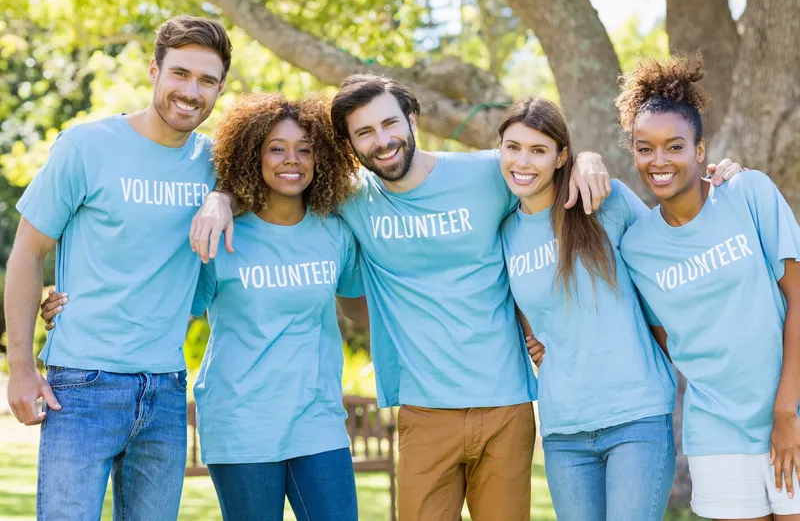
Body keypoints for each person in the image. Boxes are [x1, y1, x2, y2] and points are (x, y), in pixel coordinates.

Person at [190, 73, 616, 521]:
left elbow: (541, 163)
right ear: (349, 146)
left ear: (411, 118)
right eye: (364, 133)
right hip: (422, 408)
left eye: (390, 123)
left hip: (505, 403)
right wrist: (220, 197)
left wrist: (586, 158)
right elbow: (272, 182)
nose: (383, 140)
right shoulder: (349, 202)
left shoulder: (487, 174)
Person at [5, 16, 230, 520]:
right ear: (154, 70)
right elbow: (27, 252)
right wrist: (21, 367)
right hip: (82, 386)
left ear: (220, 88)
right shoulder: (86, 147)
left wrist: (223, 197)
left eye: (207, 80)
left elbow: (278, 176)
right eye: (180, 73)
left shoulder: (217, 163)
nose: (191, 91)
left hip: (166, 388)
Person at [618, 55, 800, 521]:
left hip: (793, 414)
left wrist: (785, 413)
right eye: (645, 148)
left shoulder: (748, 194)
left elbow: (798, 298)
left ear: (700, 150)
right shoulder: (637, 247)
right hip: (717, 434)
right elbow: (665, 338)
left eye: (674, 146)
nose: (659, 161)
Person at [498, 96, 678, 521]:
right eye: (513, 147)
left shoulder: (604, 201)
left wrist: (724, 180)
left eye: (538, 150)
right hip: (563, 429)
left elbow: (673, 248)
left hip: (636, 416)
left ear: (562, 156)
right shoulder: (503, 231)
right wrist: (534, 339)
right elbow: (527, 310)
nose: (523, 161)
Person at [189, 93, 365, 521]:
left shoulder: (334, 234)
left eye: (305, 149)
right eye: (277, 148)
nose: (292, 160)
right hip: (241, 421)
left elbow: (365, 311)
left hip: (318, 421)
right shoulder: (222, 233)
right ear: (254, 155)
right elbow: (170, 311)